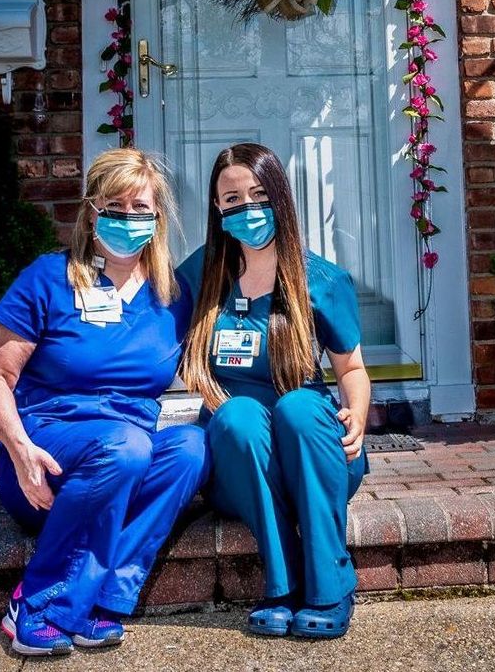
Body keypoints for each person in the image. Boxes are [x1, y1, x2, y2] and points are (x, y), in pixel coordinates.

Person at [0, 148, 210, 657]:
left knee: (191, 446)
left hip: (124, 461)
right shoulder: (47, 277)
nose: (130, 220)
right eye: (116, 207)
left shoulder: (175, 296)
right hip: (46, 460)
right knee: (123, 445)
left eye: (141, 209)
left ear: (158, 218)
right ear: (91, 212)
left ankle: (98, 599)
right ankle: (37, 604)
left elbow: (216, 367)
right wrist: (18, 451)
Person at [179, 142, 370, 640]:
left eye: (259, 195)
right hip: (240, 463)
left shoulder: (321, 279)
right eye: (232, 198)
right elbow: (158, 350)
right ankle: (282, 584)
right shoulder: (199, 275)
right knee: (237, 415)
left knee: (301, 406)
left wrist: (359, 414)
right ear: (217, 208)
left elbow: (352, 369)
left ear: (282, 198)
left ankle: (331, 582)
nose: (247, 208)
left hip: (312, 455)